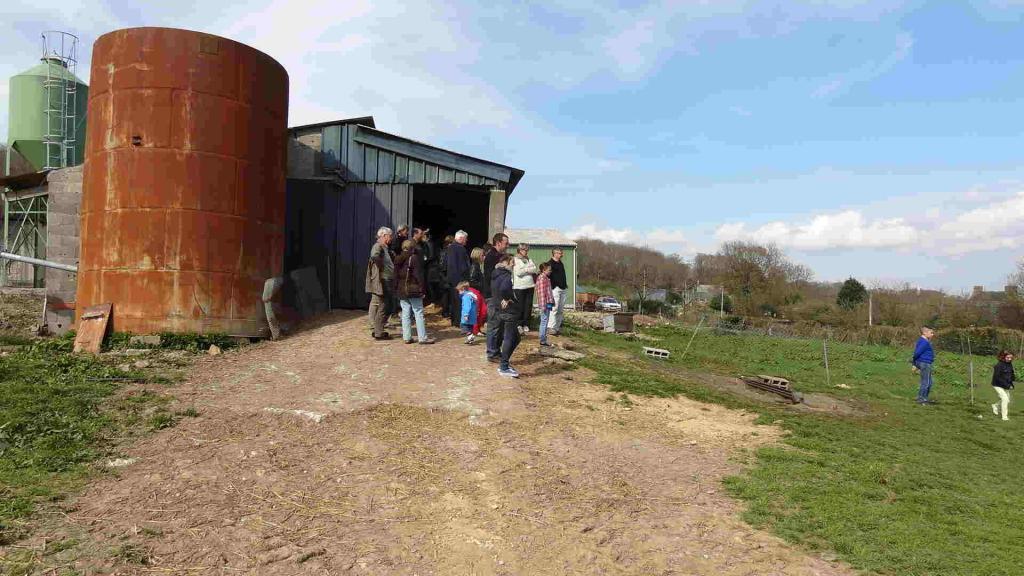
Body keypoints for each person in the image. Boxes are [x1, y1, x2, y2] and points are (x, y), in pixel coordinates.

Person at [393, 240, 436, 345]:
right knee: (418, 312)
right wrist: (422, 288)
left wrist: (395, 288)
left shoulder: (397, 258)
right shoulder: (414, 258)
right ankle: (422, 337)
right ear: (413, 248)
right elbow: (418, 275)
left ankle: (407, 337)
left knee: (405, 313)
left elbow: (395, 276)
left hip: (402, 289)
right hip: (413, 289)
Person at [491, 254, 521, 377]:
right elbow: (504, 289)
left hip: (499, 309)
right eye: (512, 262)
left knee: (517, 338)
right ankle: (503, 367)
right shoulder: (506, 275)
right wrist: (508, 298)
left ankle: (504, 362)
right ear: (506, 262)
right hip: (508, 311)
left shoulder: (495, 273)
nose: (514, 264)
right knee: (510, 337)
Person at [484, 233, 510, 361]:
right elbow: (492, 277)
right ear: (498, 242)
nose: (507, 245)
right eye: (506, 243)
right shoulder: (491, 256)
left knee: (500, 326)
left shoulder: (500, 256)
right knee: (494, 325)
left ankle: (496, 350)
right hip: (493, 296)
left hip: (500, 296)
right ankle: (491, 352)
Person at [365, 227, 394, 341]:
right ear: (383, 235)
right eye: (389, 236)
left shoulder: (385, 247)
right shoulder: (377, 246)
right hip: (383, 280)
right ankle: (378, 331)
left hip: (387, 279)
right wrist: (382, 269)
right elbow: (374, 256)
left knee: (385, 305)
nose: (391, 238)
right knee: (385, 305)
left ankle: (378, 330)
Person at [446, 230, 471, 327]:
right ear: (461, 238)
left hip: (452, 279)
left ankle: (454, 321)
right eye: (465, 239)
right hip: (459, 279)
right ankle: (459, 322)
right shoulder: (460, 249)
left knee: (454, 302)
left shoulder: (450, 247)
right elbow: (463, 266)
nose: (466, 241)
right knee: (460, 302)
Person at [512, 244, 538, 334]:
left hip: (530, 285)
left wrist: (525, 269)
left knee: (528, 306)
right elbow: (518, 272)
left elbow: (534, 269)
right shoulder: (515, 259)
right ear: (519, 250)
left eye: (527, 250)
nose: (526, 251)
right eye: (524, 250)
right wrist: (528, 269)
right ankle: (519, 324)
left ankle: (526, 324)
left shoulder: (528, 259)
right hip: (519, 286)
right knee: (520, 306)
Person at [911, 326, 936, 404]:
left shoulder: (923, 341)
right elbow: (917, 353)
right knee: (926, 382)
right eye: (931, 333)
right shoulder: (924, 342)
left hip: (926, 363)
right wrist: (914, 362)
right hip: (925, 363)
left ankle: (923, 397)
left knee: (929, 381)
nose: (933, 334)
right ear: (925, 333)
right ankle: (921, 398)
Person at [546, 248, 568, 335]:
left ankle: (556, 328)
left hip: (563, 288)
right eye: (559, 253)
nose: (561, 255)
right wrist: (552, 286)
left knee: (560, 310)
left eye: (561, 253)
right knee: (554, 308)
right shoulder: (550, 263)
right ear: (554, 254)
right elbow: (547, 276)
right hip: (555, 288)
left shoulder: (560, 263)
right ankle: (550, 327)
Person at [991, 350, 1015, 421]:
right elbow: (997, 378)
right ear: (1004, 357)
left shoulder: (1010, 364)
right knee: (1005, 399)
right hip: (997, 384)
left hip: (1006, 384)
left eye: (1011, 358)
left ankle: (995, 406)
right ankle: (1004, 417)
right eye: (1008, 357)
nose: (1009, 359)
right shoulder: (999, 365)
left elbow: (1011, 375)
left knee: (1007, 400)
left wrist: (1011, 384)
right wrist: (1007, 386)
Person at [535, 262, 554, 346]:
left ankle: (544, 338)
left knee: (546, 320)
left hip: (548, 302)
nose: (550, 271)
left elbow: (549, 292)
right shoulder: (542, 279)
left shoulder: (546, 278)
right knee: (544, 320)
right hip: (544, 303)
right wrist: (543, 306)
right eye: (549, 270)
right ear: (543, 270)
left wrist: (551, 302)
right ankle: (542, 339)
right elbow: (542, 293)